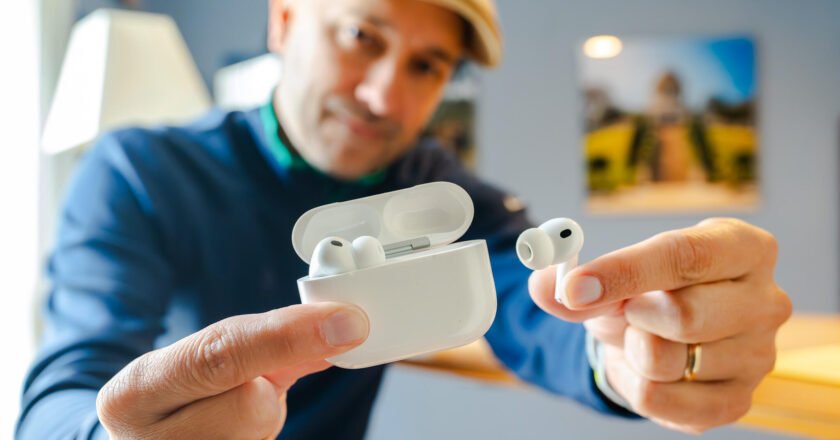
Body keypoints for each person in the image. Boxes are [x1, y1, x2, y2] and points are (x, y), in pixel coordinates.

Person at [17, 0, 791, 438]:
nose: (385, 97)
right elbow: (60, 393)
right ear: (284, 18)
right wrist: (106, 434)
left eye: (427, 65)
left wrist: (624, 351)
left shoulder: (437, 192)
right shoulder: (140, 171)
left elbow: (528, 303)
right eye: (362, 36)